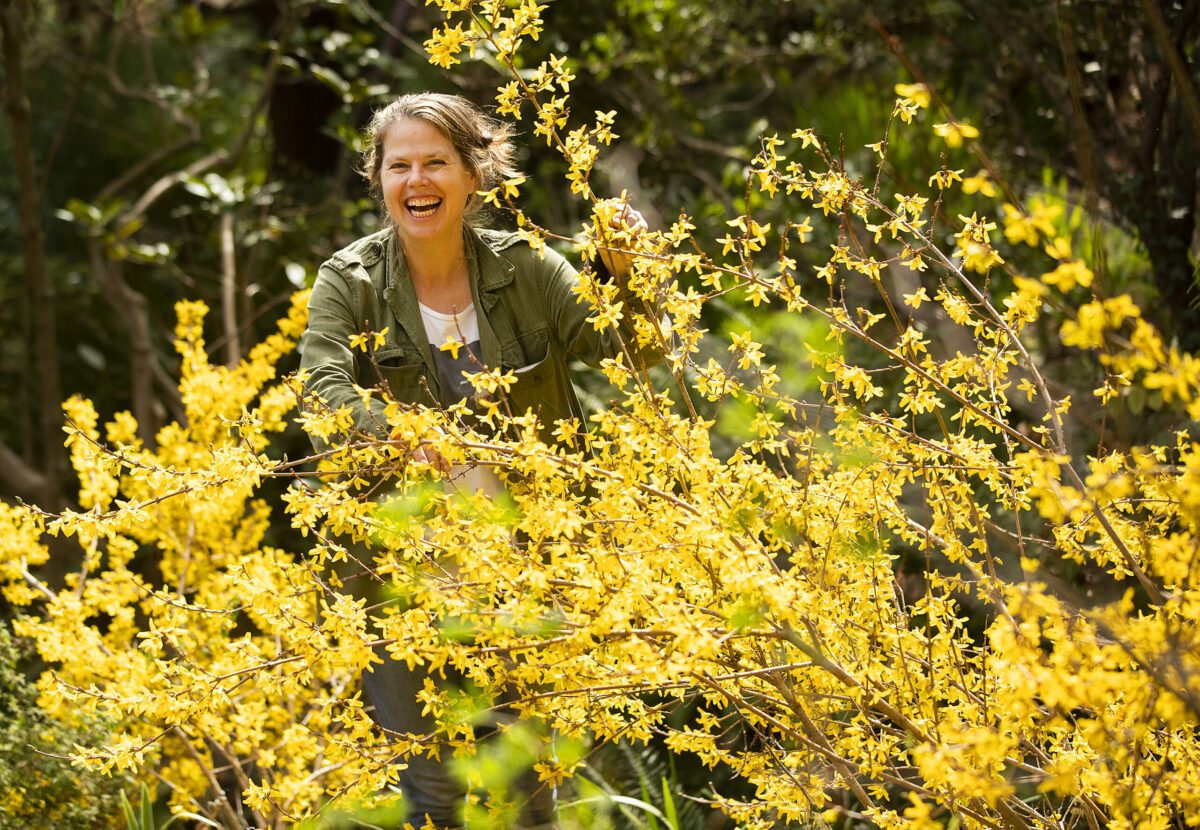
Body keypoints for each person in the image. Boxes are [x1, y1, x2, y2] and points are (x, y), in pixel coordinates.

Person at [298, 92, 665, 829]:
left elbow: (632, 355)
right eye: (398, 165)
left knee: (529, 788)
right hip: (400, 577)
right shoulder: (350, 280)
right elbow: (323, 398)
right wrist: (402, 430)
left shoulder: (529, 268)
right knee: (433, 797)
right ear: (378, 180)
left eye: (436, 161)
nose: (416, 180)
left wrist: (628, 274)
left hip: (527, 564)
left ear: (474, 173)